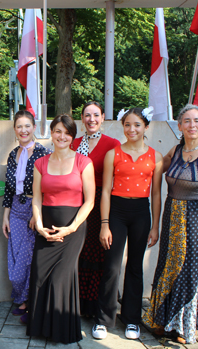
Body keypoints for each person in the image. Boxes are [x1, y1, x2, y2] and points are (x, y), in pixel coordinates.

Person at [143, 105, 198, 344]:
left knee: (191, 272)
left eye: (196, 121)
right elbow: (156, 177)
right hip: (172, 216)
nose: (192, 125)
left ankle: (183, 326)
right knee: (168, 267)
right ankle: (161, 319)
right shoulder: (174, 151)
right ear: (179, 126)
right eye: (187, 121)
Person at [92, 107, 163, 341]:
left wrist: (155, 226)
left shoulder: (155, 157)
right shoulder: (114, 153)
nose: (131, 129)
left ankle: (132, 319)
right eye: (127, 125)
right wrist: (104, 224)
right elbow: (104, 192)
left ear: (146, 127)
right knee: (111, 266)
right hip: (117, 212)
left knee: (134, 266)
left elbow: (156, 194)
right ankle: (103, 320)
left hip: (141, 213)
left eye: (137, 125)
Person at [27, 114, 95, 343]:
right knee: (39, 274)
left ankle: (61, 329)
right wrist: (38, 225)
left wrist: (72, 228)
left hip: (73, 228)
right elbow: (36, 198)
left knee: (60, 278)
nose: (61, 136)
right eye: (57, 131)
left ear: (73, 136)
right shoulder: (40, 163)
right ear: (51, 133)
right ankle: (40, 327)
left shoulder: (84, 163)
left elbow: (90, 201)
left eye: (66, 132)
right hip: (45, 226)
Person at [70, 101, 120, 317]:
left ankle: (98, 306)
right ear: (82, 118)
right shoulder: (73, 143)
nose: (91, 119)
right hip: (76, 202)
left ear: (103, 117)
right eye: (87, 115)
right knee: (78, 250)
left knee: (99, 251)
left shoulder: (112, 144)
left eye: (96, 115)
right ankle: (77, 304)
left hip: (101, 202)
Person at [2, 111, 51, 316]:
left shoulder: (43, 153)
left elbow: (47, 186)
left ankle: (31, 301)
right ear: (14, 130)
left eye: (27, 126)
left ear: (34, 128)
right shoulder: (13, 154)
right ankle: (22, 298)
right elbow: (9, 189)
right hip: (15, 208)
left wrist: (36, 214)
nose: (23, 130)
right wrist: (5, 215)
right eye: (19, 126)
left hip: (35, 207)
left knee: (29, 257)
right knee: (15, 257)